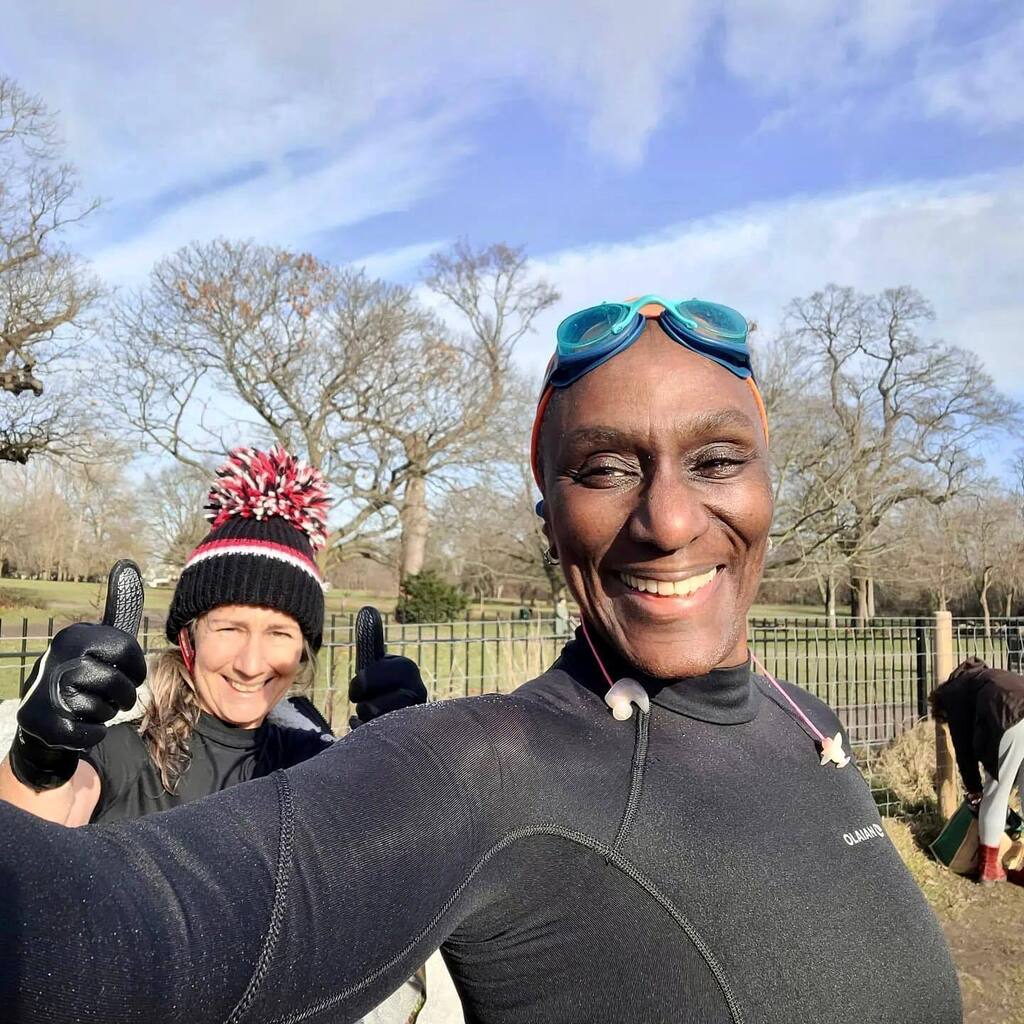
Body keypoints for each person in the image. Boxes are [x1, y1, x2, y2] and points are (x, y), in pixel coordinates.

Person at [0, 296, 961, 1023]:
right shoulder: (482, 767)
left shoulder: (811, 723)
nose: (668, 521)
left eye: (716, 459)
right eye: (604, 469)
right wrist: (38, 766)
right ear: (550, 516)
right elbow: (123, 935)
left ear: (767, 486)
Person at [0, 445, 428, 1021]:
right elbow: (27, 845)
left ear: (304, 650)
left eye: (279, 633)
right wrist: (40, 759)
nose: (251, 663)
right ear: (188, 638)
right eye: (228, 628)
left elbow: (383, 910)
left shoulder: (319, 762)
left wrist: (403, 772)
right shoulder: (123, 746)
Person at [931, 656, 1024, 885]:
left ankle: (989, 869)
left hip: (1010, 715)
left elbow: (963, 749)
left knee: (996, 792)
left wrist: (974, 789)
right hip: (1017, 707)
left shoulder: (954, 693)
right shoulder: (989, 678)